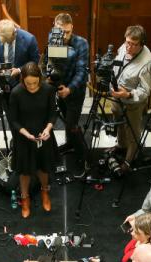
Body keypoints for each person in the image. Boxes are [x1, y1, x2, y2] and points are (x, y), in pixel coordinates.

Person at [8, 62, 58, 218]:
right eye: (28, 83)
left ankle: (45, 192)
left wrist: (48, 129)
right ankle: (25, 198)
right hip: (24, 137)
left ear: (40, 79)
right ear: (22, 79)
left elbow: (52, 114)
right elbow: (13, 120)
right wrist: (26, 134)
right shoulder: (16, 93)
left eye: (35, 83)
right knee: (24, 171)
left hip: (44, 135)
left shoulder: (48, 90)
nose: (31, 86)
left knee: (43, 168)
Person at [49, 13, 89, 175]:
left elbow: (81, 71)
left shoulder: (81, 43)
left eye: (67, 31)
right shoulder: (53, 38)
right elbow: (53, 63)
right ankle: (70, 144)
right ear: (54, 27)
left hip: (75, 90)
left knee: (72, 125)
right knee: (66, 119)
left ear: (72, 27)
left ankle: (85, 157)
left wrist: (69, 89)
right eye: (60, 31)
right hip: (59, 87)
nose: (63, 35)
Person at [110, 25, 151, 163]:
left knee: (133, 132)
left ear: (142, 44)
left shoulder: (148, 63)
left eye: (134, 44)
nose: (129, 47)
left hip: (132, 103)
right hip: (117, 97)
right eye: (127, 42)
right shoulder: (125, 46)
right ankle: (120, 145)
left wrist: (127, 94)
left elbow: (145, 91)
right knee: (119, 124)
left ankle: (129, 160)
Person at [0, 19, 40, 89]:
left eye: (7, 40)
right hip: (0, 83)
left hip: (21, 82)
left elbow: (35, 62)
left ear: (14, 33)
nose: (6, 43)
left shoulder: (29, 39)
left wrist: (19, 70)